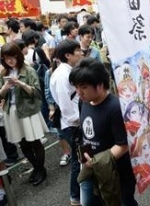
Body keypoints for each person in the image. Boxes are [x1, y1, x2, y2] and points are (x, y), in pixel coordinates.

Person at [69, 58, 138, 206]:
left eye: (83, 87)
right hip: (90, 168)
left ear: (100, 85)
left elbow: (123, 145)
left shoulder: (115, 108)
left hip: (116, 173)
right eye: (76, 87)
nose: (79, 92)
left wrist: (96, 162)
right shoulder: (84, 102)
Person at [0, 42, 49, 186]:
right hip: (12, 112)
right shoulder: (4, 73)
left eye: (12, 56)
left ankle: (41, 169)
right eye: (5, 57)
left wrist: (20, 84)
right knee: (23, 143)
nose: (9, 60)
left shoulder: (28, 70)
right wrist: (5, 87)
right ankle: (36, 168)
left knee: (34, 141)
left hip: (28, 111)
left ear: (18, 55)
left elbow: (37, 93)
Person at [50, 39, 83, 205]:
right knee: (78, 161)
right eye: (77, 50)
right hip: (73, 124)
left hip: (73, 122)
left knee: (80, 159)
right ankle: (75, 197)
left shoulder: (66, 70)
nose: (81, 53)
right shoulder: (63, 74)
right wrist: (78, 121)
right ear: (68, 55)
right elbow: (66, 105)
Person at [44, 55, 71, 167]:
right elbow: (47, 91)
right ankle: (66, 153)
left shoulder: (71, 69)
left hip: (70, 105)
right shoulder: (50, 72)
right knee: (61, 132)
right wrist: (51, 108)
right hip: (57, 107)